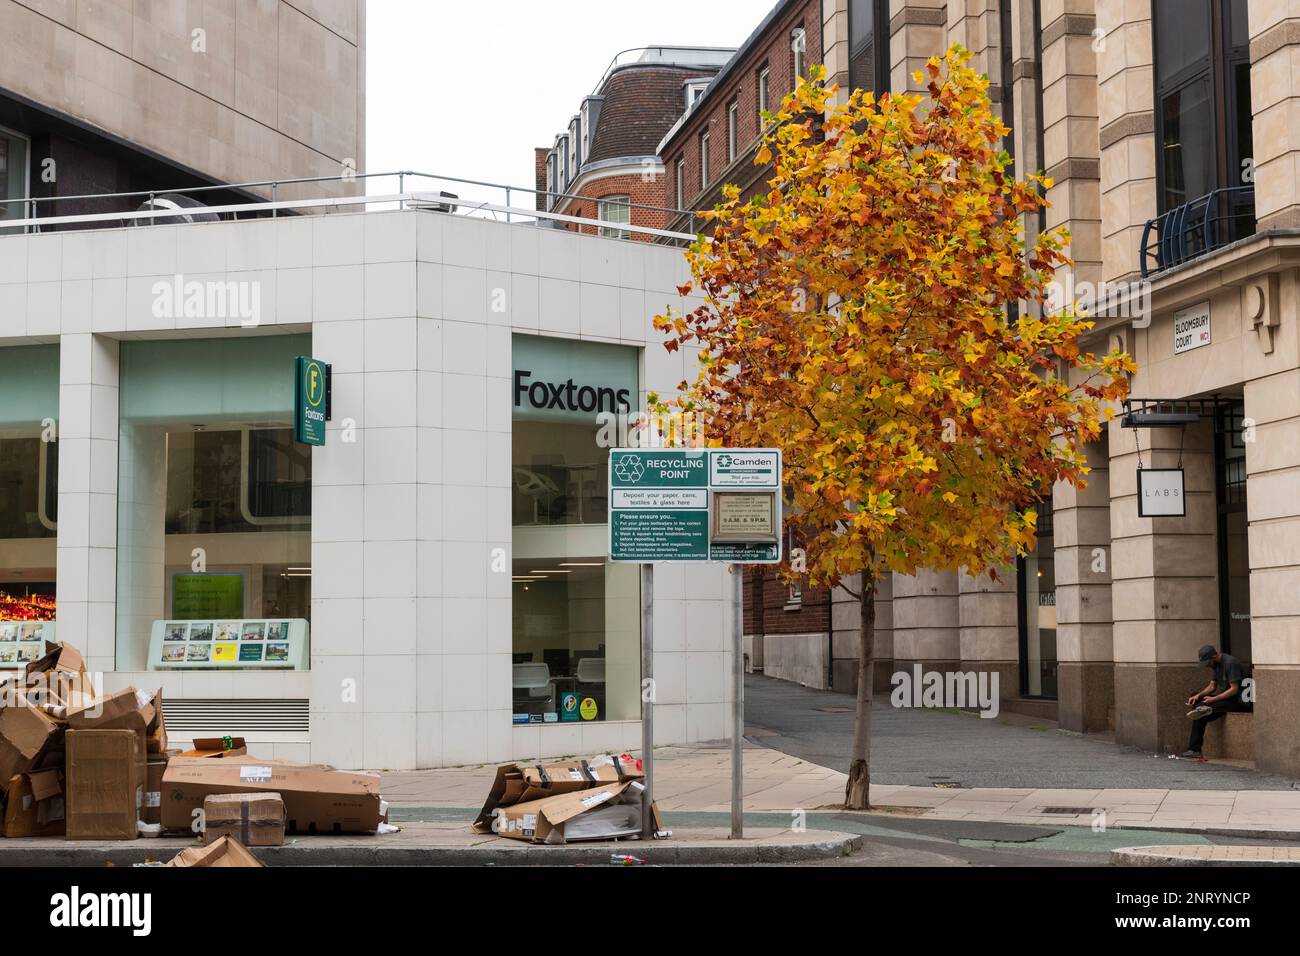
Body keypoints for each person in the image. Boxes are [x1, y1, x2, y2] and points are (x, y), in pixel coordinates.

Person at [1181, 644, 1247, 758]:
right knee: (1195, 697)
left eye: (1208, 663)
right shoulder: (1215, 665)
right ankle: (1203, 710)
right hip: (1221, 698)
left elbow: (1234, 690)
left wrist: (1213, 699)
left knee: (1200, 714)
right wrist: (1198, 696)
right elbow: (1212, 686)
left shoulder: (1230, 663)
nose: (1207, 666)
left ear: (1214, 657)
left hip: (1234, 701)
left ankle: (1195, 749)